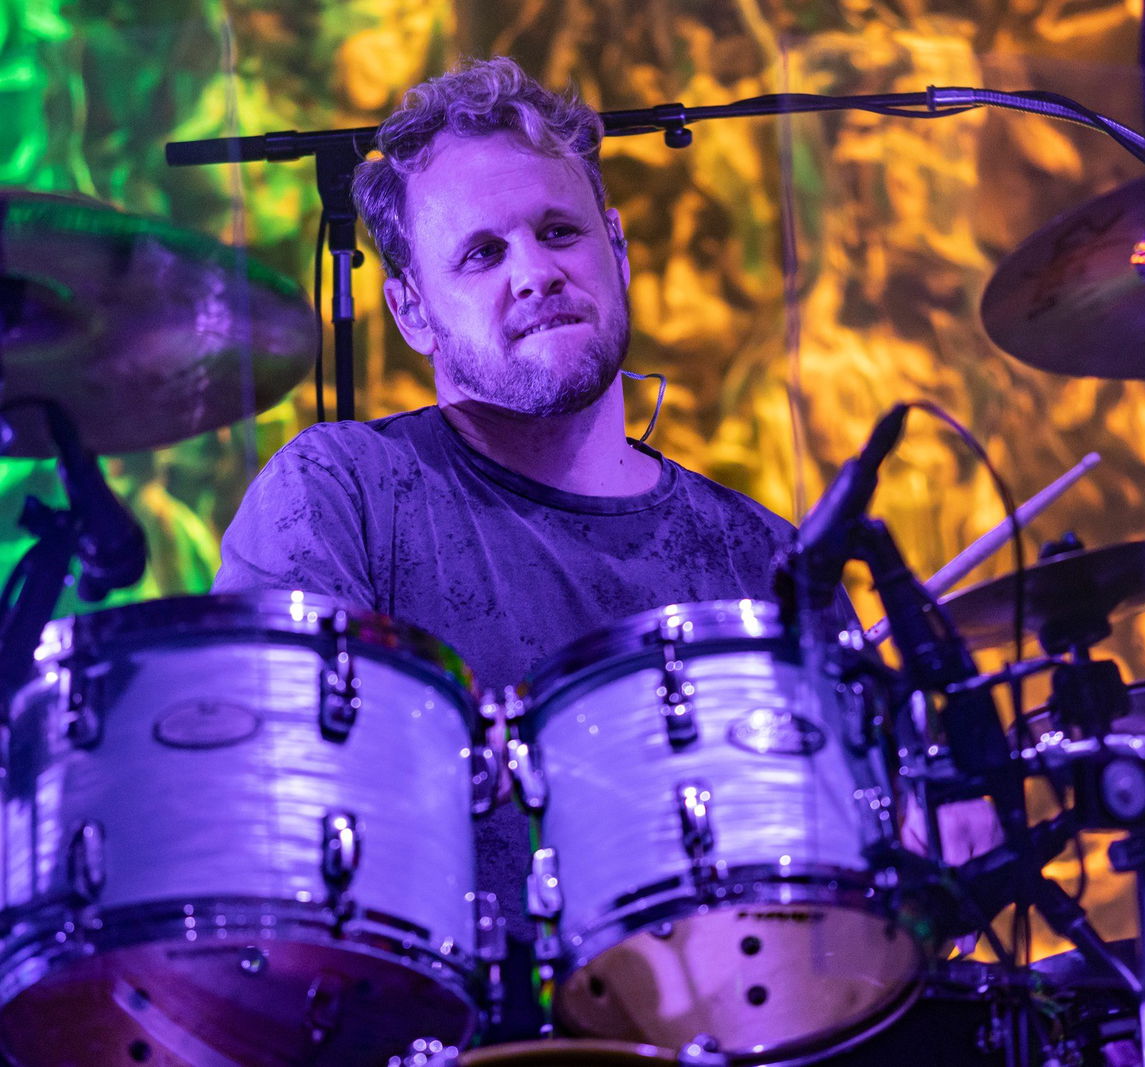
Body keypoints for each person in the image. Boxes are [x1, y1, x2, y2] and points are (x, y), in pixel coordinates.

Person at [211, 56, 802, 1040]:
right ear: (411, 311)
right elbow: (267, 800)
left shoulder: (761, 557)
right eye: (481, 254)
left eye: (559, 231)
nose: (535, 272)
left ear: (617, 248)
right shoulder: (341, 490)